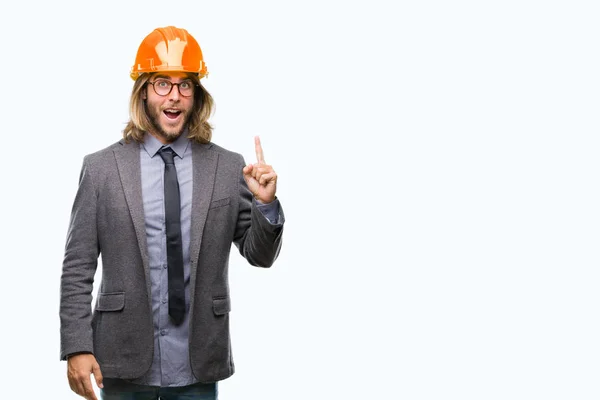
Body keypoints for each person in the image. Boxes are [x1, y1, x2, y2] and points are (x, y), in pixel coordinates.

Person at [59, 26, 285, 400]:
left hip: (198, 360)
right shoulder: (101, 169)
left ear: (197, 95)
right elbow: (78, 265)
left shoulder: (228, 167)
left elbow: (259, 256)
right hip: (121, 360)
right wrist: (76, 346)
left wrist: (265, 204)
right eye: (162, 83)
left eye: (185, 85)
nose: (174, 96)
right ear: (144, 90)